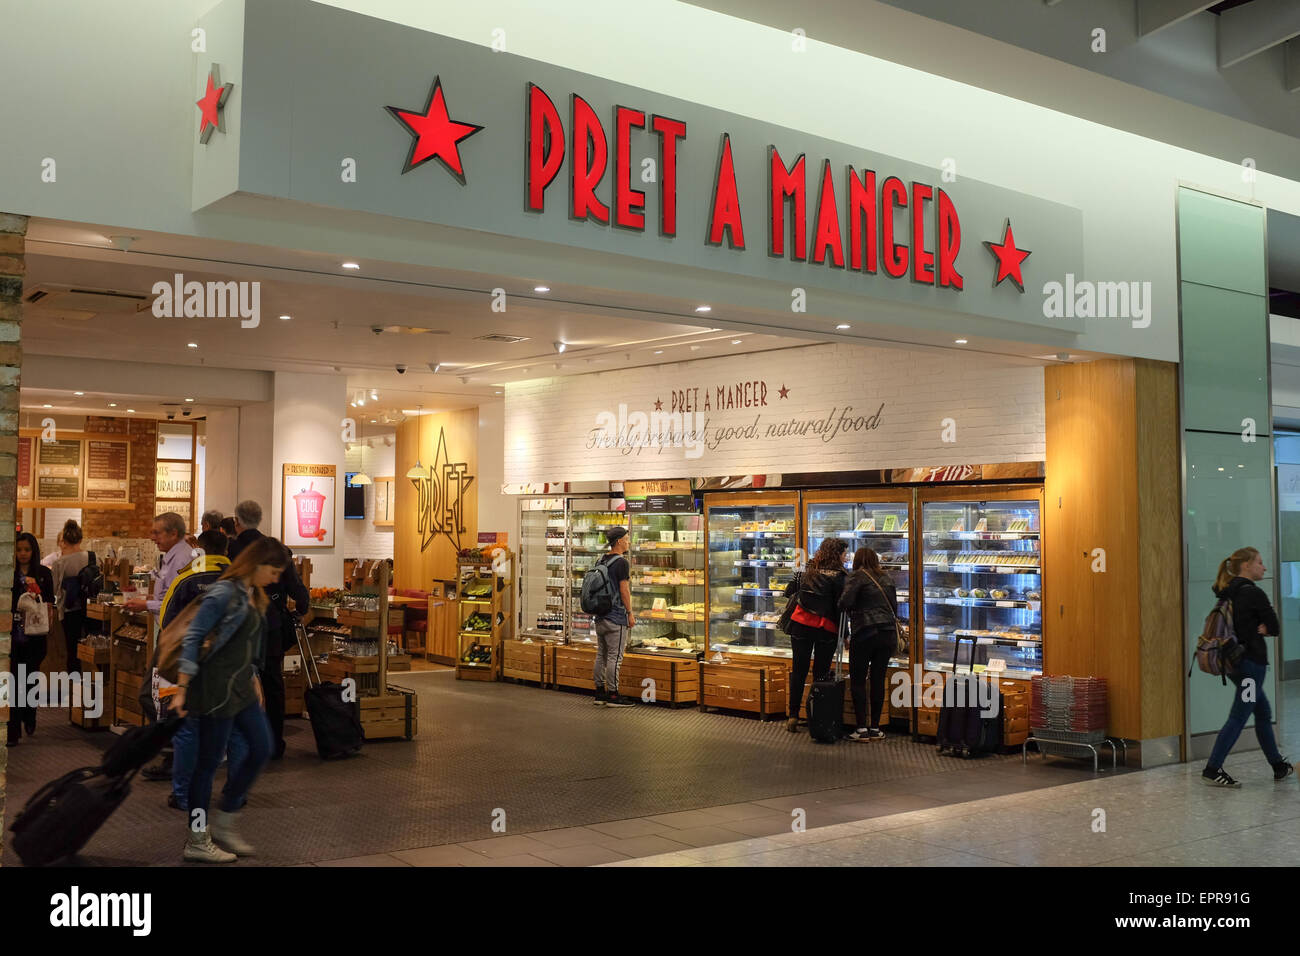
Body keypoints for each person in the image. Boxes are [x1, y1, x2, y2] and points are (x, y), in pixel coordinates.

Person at [171, 535, 284, 863]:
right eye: (274, 572)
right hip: (215, 688)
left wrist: (254, 677)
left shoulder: (253, 593)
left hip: (241, 687)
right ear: (258, 564)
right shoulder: (224, 592)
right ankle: (197, 838)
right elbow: (194, 636)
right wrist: (182, 687)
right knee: (207, 766)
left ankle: (226, 818)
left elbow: (247, 646)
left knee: (262, 747)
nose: (275, 579)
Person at [140, 529, 237, 809]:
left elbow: (167, 620)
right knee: (232, 729)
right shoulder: (239, 579)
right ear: (226, 549)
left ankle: (183, 794)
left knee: (187, 727)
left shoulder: (186, 577)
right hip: (229, 664)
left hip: (190, 662)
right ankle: (234, 794)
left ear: (200, 549)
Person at [1202, 547, 1293, 788]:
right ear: (1246, 566)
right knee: (1240, 715)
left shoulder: (1227, 592)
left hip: (1233, 664)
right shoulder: (1253, 593)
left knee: (1262, 712)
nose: (1264, 567)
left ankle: (1278, 765)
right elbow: (1274, 626)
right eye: (1260, 562)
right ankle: (1212, 768)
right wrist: (1263, 628)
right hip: (1251, 666)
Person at [226, 500, 309, 757]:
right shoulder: (276, 549)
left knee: (238, 682)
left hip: (240, 626)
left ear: (237, 522)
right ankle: (273, 742)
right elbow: (298, 590)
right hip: (272, 625)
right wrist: (300, 610)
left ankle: (239, 741)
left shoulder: (232, 549)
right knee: (273, 683)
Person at [783, 538, 848, 733]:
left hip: (800, 623)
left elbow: (789, 591)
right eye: (844, 554)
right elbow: (840, 608)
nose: (846, 558)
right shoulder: (839, 576)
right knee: (820, 673)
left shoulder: (807, 568)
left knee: (799, 670)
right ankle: (817, 716)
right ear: (837, 554)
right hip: (825, 627)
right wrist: (845, 634)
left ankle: (793, 715)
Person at [838, 547, 899, 741]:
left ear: (857, 560)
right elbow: (894, 606)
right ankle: (876, 727)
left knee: (858, 680)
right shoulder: (887, 577)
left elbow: (844, 602)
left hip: (865, 633)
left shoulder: (857, 576)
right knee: (878, 680)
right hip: (887, 634)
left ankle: (861, 728)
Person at [9, 533, 55, 745]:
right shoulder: (10, 574)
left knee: (30, 678)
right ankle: (14, 726)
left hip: (36, 636)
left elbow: (49, 602)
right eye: (19, 550)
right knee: (14, 681)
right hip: (14, 634)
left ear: (33, 551)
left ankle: (30, 713)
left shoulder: (44, 573)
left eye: (27, 550)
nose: (23, 554)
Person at [592, 526, 636, 707]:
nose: (628, 542)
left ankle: (599, 693)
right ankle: (613, 695)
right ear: (619, 541)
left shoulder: (601, 560)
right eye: (626, 539)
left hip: (600, 615)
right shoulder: (621, 563)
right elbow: (624, 590)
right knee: (615, 657)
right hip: (616, 616)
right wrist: (629, 613)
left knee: (601, 655)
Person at [127, 512, 191, 622]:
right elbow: (170, 594)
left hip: (176, 627)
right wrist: (154, 597)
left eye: (156, 533)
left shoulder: (180, 560)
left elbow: (177, 605)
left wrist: (146, 605)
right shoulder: (174, 555)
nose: (152, 538)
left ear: (173, 534)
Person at [50, 519, 92, 676]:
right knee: (92, 648)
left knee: (72, 649)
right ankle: (95, 683)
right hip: (91, 609)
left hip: (69, 610)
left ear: (65, 541)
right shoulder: (92, 557)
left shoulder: (59, 563)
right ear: (80, 539)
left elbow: (54, 589)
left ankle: (75, 684)